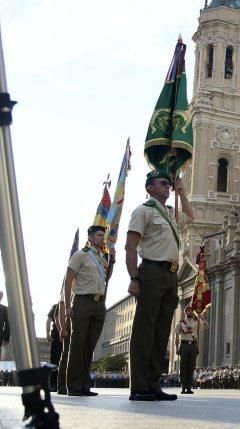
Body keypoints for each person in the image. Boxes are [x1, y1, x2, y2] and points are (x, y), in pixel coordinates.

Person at [126, 171, 194, 401]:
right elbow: (130, 246)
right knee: (145, 330)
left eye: (169, 184)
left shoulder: (170, 213)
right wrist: (134, 278)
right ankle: (139, 386)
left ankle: (154, 383)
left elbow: (191, 217)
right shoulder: (143, 211)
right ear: (150, 188)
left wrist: (182, 191)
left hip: (170, 275)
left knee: (161, 331)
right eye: (163, 184)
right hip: (151, 272)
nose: (168, 187)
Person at [63, 225, 114, 396]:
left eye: (103, 235)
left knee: (90, 346)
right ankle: (74, 385)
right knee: (78, 345)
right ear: (90, 237)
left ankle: (85, 385)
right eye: (99, 235)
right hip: (83, 301)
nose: (102, 238)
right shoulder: (80, 255)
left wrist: (112, 261)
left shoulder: (102, 257)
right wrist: (68, 306)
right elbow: (68, 280)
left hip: (99, 304)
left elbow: (105, 278)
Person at [174, 305, 199, 394]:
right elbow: (176, 337)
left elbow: (206, 327)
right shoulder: (180, 323)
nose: (190, 312)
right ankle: (183, 386)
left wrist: (201, 317)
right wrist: (177, 348)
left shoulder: (196, 322)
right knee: (183, 366)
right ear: (185, 312)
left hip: (193, 345)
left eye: (191, 310)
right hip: (184, 345)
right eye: (188, 311)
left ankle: (189, 387)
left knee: (191, 367)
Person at [46, 302, 62, 390]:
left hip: (69, 334)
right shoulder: (56, 306)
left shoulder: (75, 305)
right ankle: (52, 384)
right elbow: (48, 320)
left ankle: (63, 383)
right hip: (56, 334)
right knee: (54, 359)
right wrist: (47, 334)